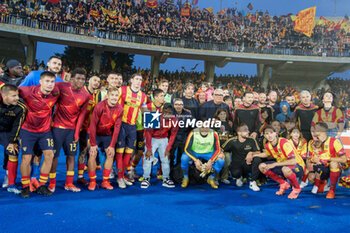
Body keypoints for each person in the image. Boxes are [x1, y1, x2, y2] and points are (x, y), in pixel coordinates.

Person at [48, 68, 90, 193]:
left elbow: (82, 115)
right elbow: (51, 95)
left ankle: (69, 183)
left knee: (71, 156)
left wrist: (77, 132)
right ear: (72, 78)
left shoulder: (86, 95)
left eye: (83, 79)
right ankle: (51, 183)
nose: (81, 81)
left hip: (71, 130)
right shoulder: (61, 86)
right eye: (78, 78)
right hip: (57, 128)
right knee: (54, 156)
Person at [18, 71, 60, 198]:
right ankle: (25, 186)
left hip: (45, 131)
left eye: (52, 82)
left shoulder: (55, 92)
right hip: (27, 130)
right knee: (26, 158)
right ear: (40, 82)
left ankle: (41, 184)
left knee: (49, 155)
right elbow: (9, 92)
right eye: (47, 81)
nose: (50, 84)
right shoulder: (27, 91)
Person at [254, 126, 305, 199]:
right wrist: (254, 155)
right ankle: (283, 183)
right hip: (283, 165)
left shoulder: (284, 142)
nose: (269, 135)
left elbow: (293, 161)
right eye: (267, 134)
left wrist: (274, 164)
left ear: (276, 133)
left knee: (285, 169)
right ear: (264, 135)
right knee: (262, 166)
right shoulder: (268, 145)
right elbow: (267, 154)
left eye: (271, 133)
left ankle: (296, 188)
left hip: (297, 166)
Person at [88, 87, 123, 191]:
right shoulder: (99, 106)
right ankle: (92, 181)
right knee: (92, 154)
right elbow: (92, 125)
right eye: (112, 95)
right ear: (107, 96)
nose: (114, 97)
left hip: (107, 134)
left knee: (110, 154)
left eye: (116, 95)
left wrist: (112, 146)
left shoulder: (120, 109)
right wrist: (93, 144)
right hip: (96, 134)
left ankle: (105, 181)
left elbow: (117, 128)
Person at [116, 73, 147, 188]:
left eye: (140, 80)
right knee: (119, 153)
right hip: (121, 125)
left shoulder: (143, 96)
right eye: (137, 79)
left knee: (128, 154)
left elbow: (145, 111)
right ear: (131, 80)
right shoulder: (122, 90)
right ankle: (119, 178)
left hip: (133, 127)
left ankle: (123, 175)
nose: (139, 82)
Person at [141, 103, 179, 188]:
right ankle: (146, 178)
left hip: (164, 139)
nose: (167, 115)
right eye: (166, 112)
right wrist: (149, 148)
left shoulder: (174, 120)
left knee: (166, 159)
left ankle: (166, 179)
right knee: (148, 158)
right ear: (162, 111)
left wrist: (168, 148)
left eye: (170, 113)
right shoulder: (155, 116)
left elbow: (173, 135)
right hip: (152, 138)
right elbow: (148, 133)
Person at [307, 122, 347, 199]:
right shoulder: (312, 142)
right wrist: (311, 162)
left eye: (314, 129)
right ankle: (323, 182)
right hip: (319, 167)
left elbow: (344, 159)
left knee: (333, 163)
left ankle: (332, 190)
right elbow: (310, 158)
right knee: (311, 177)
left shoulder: (334, 141)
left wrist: (327, 159)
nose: (313, 131)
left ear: (320, 131)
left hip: (331, 167)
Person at [181, 121, 225, 189]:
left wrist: (211, 161)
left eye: (206, 126)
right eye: (202, 126)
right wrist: (196, 160)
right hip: (195, 152)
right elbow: (187, 149)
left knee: (221, 160)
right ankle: (185, 177)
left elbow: (217, 149)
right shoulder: (193, 132)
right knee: (184, 158)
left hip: (208, 153)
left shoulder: (214, 133)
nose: (204, 128)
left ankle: (211, 178)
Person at [0, 84, 26, 194]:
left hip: (8, 132)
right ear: (4, 96)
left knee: (13, 152)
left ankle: (11, 183)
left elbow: (17, 126)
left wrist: (12, 142)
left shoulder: (21, 108)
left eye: (17, 95)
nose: (17, 98)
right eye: (13, 96)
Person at [77, 75, 101, 185]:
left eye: (99, 81)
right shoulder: (82, 91)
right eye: (95, 80)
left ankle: (80, 176)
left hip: (87, 129)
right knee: (71, 153)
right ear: (89, 81)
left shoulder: (96, 95)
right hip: (75, 127)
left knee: (83, 151)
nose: (97, 83)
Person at [223, 124, 262, 191]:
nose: (248, 132)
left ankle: (253, 182)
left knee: (257, 159)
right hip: (236, 164)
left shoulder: (252, 140)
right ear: (239, 132)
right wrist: (222, 154)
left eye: (248, 130)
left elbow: (259, 152)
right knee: (235, 173)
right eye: (245, 130)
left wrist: (251, 153)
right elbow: (221, 149)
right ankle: (239, 177)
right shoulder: (232, 141)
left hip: (247, 164)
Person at [169, 98, 193, 169]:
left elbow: (193, 124)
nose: (178, 106)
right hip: (172, 138)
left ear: (183, 106)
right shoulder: (170, 113)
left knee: (182, 156)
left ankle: (178, 171)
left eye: (180, 104)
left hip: (183, 137)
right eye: (176, 104)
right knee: (170, 156)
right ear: (174, 105)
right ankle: (170, 171)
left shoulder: (188, 114)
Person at [213, 108, 233, 184]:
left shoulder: (229, 124)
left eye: (224, 114)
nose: (223, 116)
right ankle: (216, 178)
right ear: (217, 115)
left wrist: (229, 148)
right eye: (221, 114)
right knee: (218, 161)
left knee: (227, 161)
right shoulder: (214, 123)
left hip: (226, 148)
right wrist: (218, 148)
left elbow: (231, 137)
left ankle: (224, 177)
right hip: (217, 149)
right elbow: (213, 137)